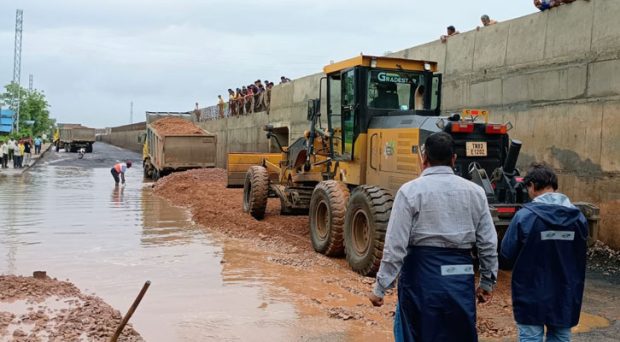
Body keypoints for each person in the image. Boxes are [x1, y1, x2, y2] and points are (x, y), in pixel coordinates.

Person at [369, 132, 498, 342]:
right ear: (454, 160)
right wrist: (486, 281)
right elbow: (488, 243)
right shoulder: (475, 192)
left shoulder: (410, 192)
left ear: (424, 158)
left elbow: (396, 245)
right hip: (460, 278)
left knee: (414, 332)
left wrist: (381, 288)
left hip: (421, 278)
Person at [500, 162, 588, 342]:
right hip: (565, 292)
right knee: (561, 337)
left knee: (531, 338)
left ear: (531, 186)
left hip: (530, 293)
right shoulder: (578, 218)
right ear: (554, 187)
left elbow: (506, 256)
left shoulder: (525, 217)